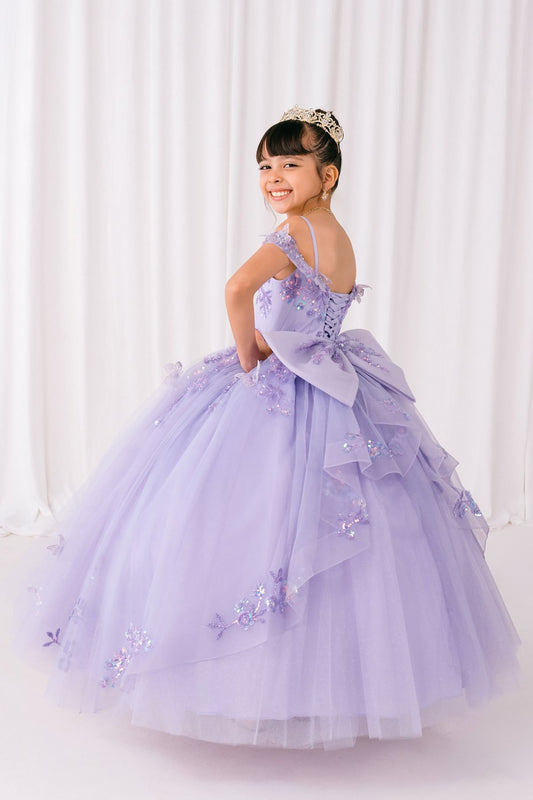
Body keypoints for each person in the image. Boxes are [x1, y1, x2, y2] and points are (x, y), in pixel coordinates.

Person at [10, 106, 521, 751]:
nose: (274, 176)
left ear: (326, 173)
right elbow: (315, 318)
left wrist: (251, 362)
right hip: (339, 381)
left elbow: (235, 290)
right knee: (356, 531)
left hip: (290, 385)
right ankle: (343, 683)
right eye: (265, 165)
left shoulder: (290, 233)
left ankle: (252, 681)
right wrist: (283, 337)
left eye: (291, 164)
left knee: (239, 517)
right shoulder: (334, 234)